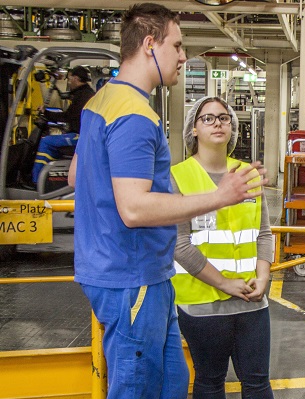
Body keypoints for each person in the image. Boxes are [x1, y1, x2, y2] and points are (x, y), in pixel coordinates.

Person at [68, 4, 267, 399]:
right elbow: (135, 208)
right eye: (176, 46)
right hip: (133, 277)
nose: (182, 56)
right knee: (138, 389)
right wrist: (219, 196)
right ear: (148, 45)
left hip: (129, 273)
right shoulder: (135, 115)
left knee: (172, 383)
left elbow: (77, 175)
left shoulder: (100, 102)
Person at [171, 96, 274, 399]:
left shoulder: (247, 174)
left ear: (232, 126)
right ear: (194, 129)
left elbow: (263, 233)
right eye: (208, 118)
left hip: (251, 300)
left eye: (224, 117)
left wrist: (264, 278)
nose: (217, 123)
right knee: (211, 380)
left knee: (257, 382)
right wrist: (224, 283)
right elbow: (179, 243)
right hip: (202, 302)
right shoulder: (178, 177)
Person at [32, 65, 95, 184]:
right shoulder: (83, 93)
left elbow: (68, 116)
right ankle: (47, 177)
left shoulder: (83, 96)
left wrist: (46, 113)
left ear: (76, 79)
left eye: (70, 79)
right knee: (53, 143)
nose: (69, 82)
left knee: (46, 141)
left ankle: (35, 181)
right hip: (80, 134)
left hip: (80, 136)